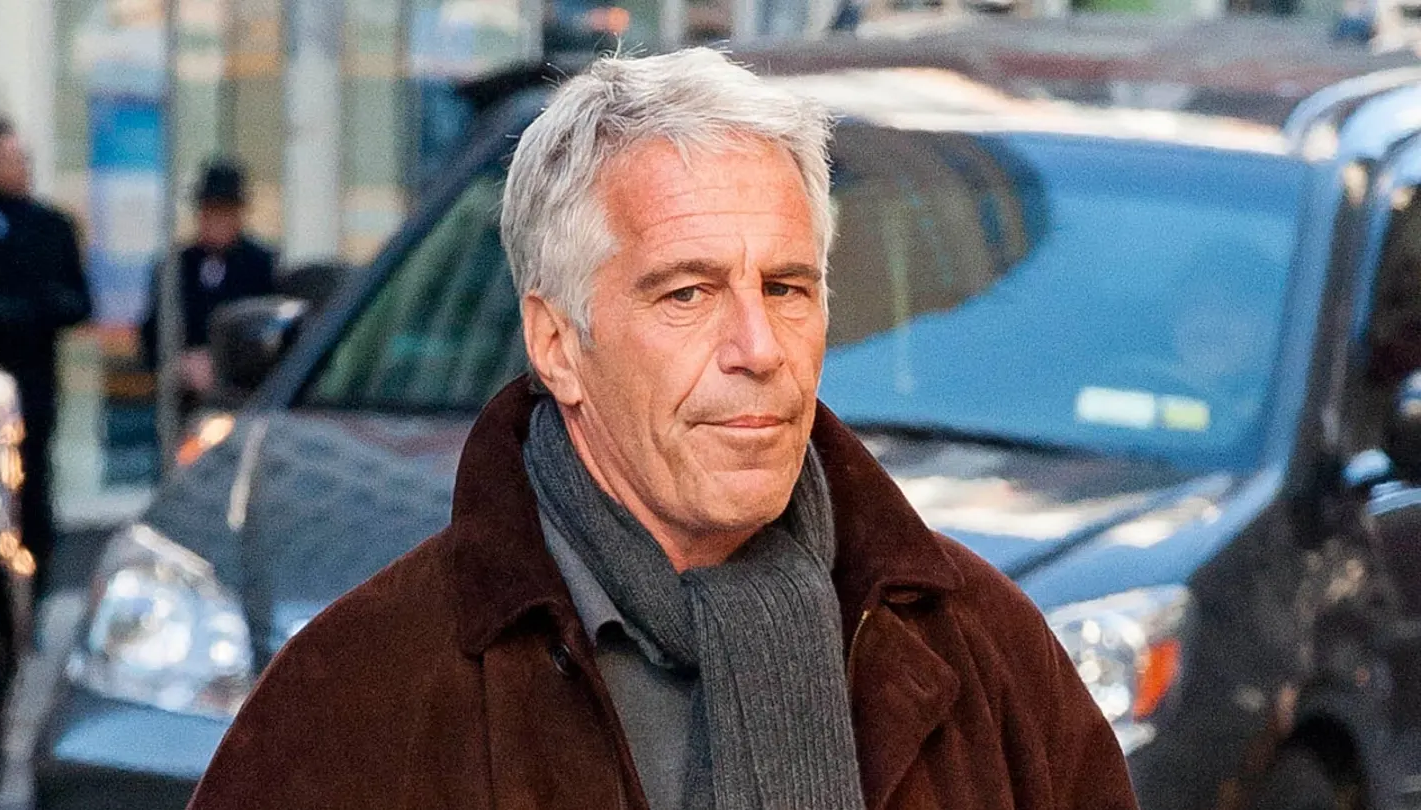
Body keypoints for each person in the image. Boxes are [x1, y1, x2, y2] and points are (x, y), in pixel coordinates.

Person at [187, 50, 1137, 810]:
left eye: (787, 289)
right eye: (688, 293)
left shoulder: (983, 649)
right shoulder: (357, 701)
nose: (758, 348)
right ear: (557, 344)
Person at [0, 118, 92, 610]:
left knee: (29, 492)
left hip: (32, 386)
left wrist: (24, 312)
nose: (22, 167)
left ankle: (32, 600)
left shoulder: (50, 226)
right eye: (11, 158)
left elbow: (77, 302)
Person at [141, 159, 276, 406]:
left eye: (225, 212)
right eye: (210, 211)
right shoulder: (176, 267)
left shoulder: (262, 265)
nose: (216, 221)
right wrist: (180, 362)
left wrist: (222, 364)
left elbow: (269, 332)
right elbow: (153, 331)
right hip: (184, 397)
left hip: (244, 395)